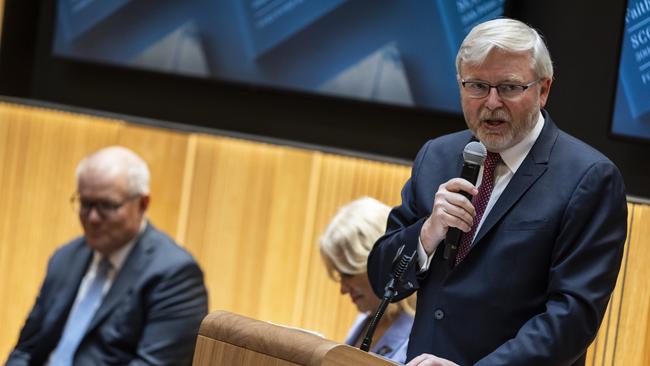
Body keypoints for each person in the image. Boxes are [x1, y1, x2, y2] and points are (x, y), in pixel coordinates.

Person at [367, 18, 628, 366]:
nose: (491, 103)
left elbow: (571, 318)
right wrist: (426, 235)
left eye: (508, 87)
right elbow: (381, 276)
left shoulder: (589, 179)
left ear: (544, 89)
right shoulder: (437, 156)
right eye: (476, 86)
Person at [6, 146, 209, 366]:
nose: (92, 218)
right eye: (86, 204)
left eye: (107, 206)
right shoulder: (65, 258)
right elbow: (26, 350)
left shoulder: (175, 275)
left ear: (142, 204)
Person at [319, 197, 415, 364]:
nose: (342, 289)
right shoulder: (363, 322)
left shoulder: (420, 334)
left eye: (347, 273)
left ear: (379, 262)